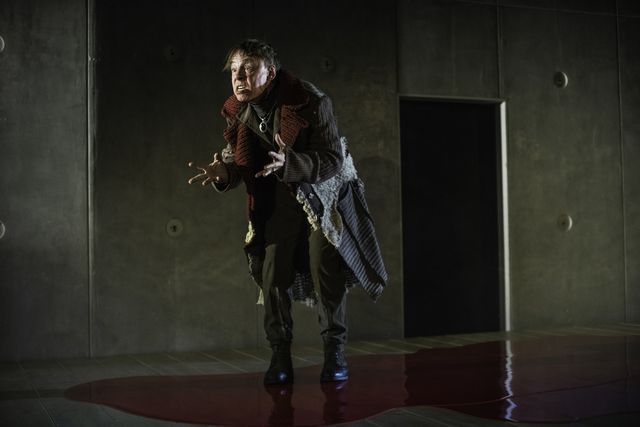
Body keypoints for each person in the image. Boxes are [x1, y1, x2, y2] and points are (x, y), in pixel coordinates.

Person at [188, 39, 387, 385]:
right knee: (272, 273)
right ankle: (279, 355)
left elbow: (332, 159)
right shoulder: (238, 109)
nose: (239, 78)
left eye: (249, 69)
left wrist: (291, 162)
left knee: (324, 267)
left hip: (321, 195)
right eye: (234, 70)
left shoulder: (309, 100)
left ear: (270, 72)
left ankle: (335, 351)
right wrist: (224, 173)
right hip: (278, 198)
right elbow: (239, 159)